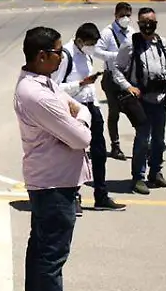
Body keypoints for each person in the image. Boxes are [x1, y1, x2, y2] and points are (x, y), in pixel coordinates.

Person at [15, 26, 92, 291]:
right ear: (41, 56)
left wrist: (77, 115)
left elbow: (79, 108)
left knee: (41, 253)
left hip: (55, 183)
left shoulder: (46, 83)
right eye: (58, 52)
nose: (62, 57)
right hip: (54, 187)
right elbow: (82, 138)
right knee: (51, 259)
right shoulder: (37, 95)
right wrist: (80, 119)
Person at [54, 23, 126, 212]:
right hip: (74, 110)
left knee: (99, 154)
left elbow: (106, 57)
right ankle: (73, 197)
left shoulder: (86, 54)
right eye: (90, 43)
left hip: (90, 107)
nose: (93, 47)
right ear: (79, 40)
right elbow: (54, 87)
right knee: (75, 156)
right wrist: (80, 83)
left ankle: (101, 196)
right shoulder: (65, 56)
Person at [114, 7, 166, 195]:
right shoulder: (130, 43)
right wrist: (128, 86)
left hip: (160, 98)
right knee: (143, 139)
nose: (148, 25)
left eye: (151, 22)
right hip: (141, 99)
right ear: (138, 23)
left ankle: (155, 171)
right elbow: (117, 69)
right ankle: (138, 177)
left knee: (159, 139)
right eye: (144, 22)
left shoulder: (161, 42)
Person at [95, 1, 133, 160]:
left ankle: (145, 143)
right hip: (111, 77)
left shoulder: (131, 30)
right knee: (114, 112)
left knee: (136, 110)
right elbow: (96, 51)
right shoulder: (107, 33)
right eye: (122, 15)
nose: (125, 18)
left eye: (128, 15)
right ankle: (115, 146)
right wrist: (115, 56)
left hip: (128, 76)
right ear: (116, 15)